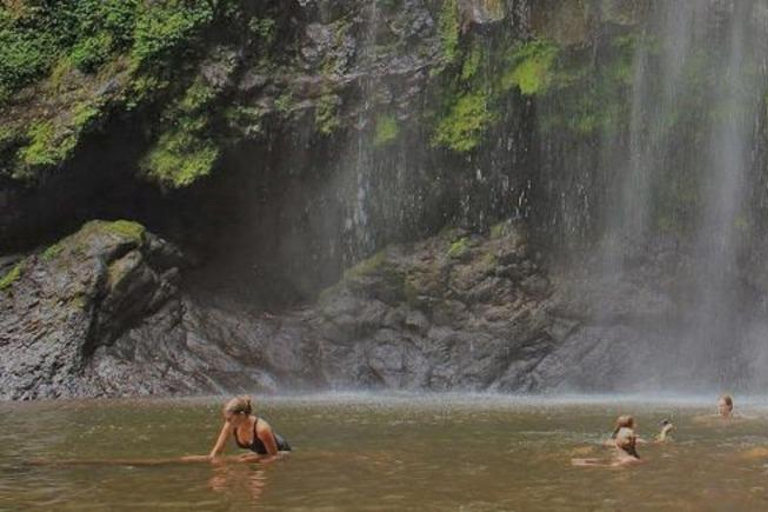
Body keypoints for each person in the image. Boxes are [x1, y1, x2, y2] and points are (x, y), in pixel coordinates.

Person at [209, 396, 291, 462]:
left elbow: (274, 456)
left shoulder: (262, 429)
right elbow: (217, 451)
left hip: (282, 452)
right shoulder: (230, 423)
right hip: (259, 452)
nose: (227, 421)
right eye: (226, 418)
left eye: (230, 418)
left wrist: (256, 458)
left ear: (241, 415)